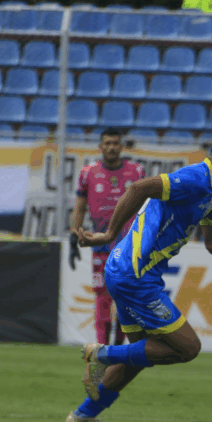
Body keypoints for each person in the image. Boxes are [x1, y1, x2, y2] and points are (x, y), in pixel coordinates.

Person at [66, 130, 212, 422]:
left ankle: (82, 415)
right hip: (135, 274)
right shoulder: (197, 179)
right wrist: (108, 234)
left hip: (128, 272)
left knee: (141, 355)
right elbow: (138, 188)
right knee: (187, 347)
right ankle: (101, 354)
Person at [70, 128, 145, 347]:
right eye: (107, 143)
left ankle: (119, 349)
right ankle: (102, 351)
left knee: (124, 301)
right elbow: (80, 207)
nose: (111, 147)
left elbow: (145, 207)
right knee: (102, 299)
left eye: (115, 143)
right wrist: (75, 235)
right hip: (100, 245)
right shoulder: (88, 173)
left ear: (121, 146)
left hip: (128, 247)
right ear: (100, 146)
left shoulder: (137, 172)